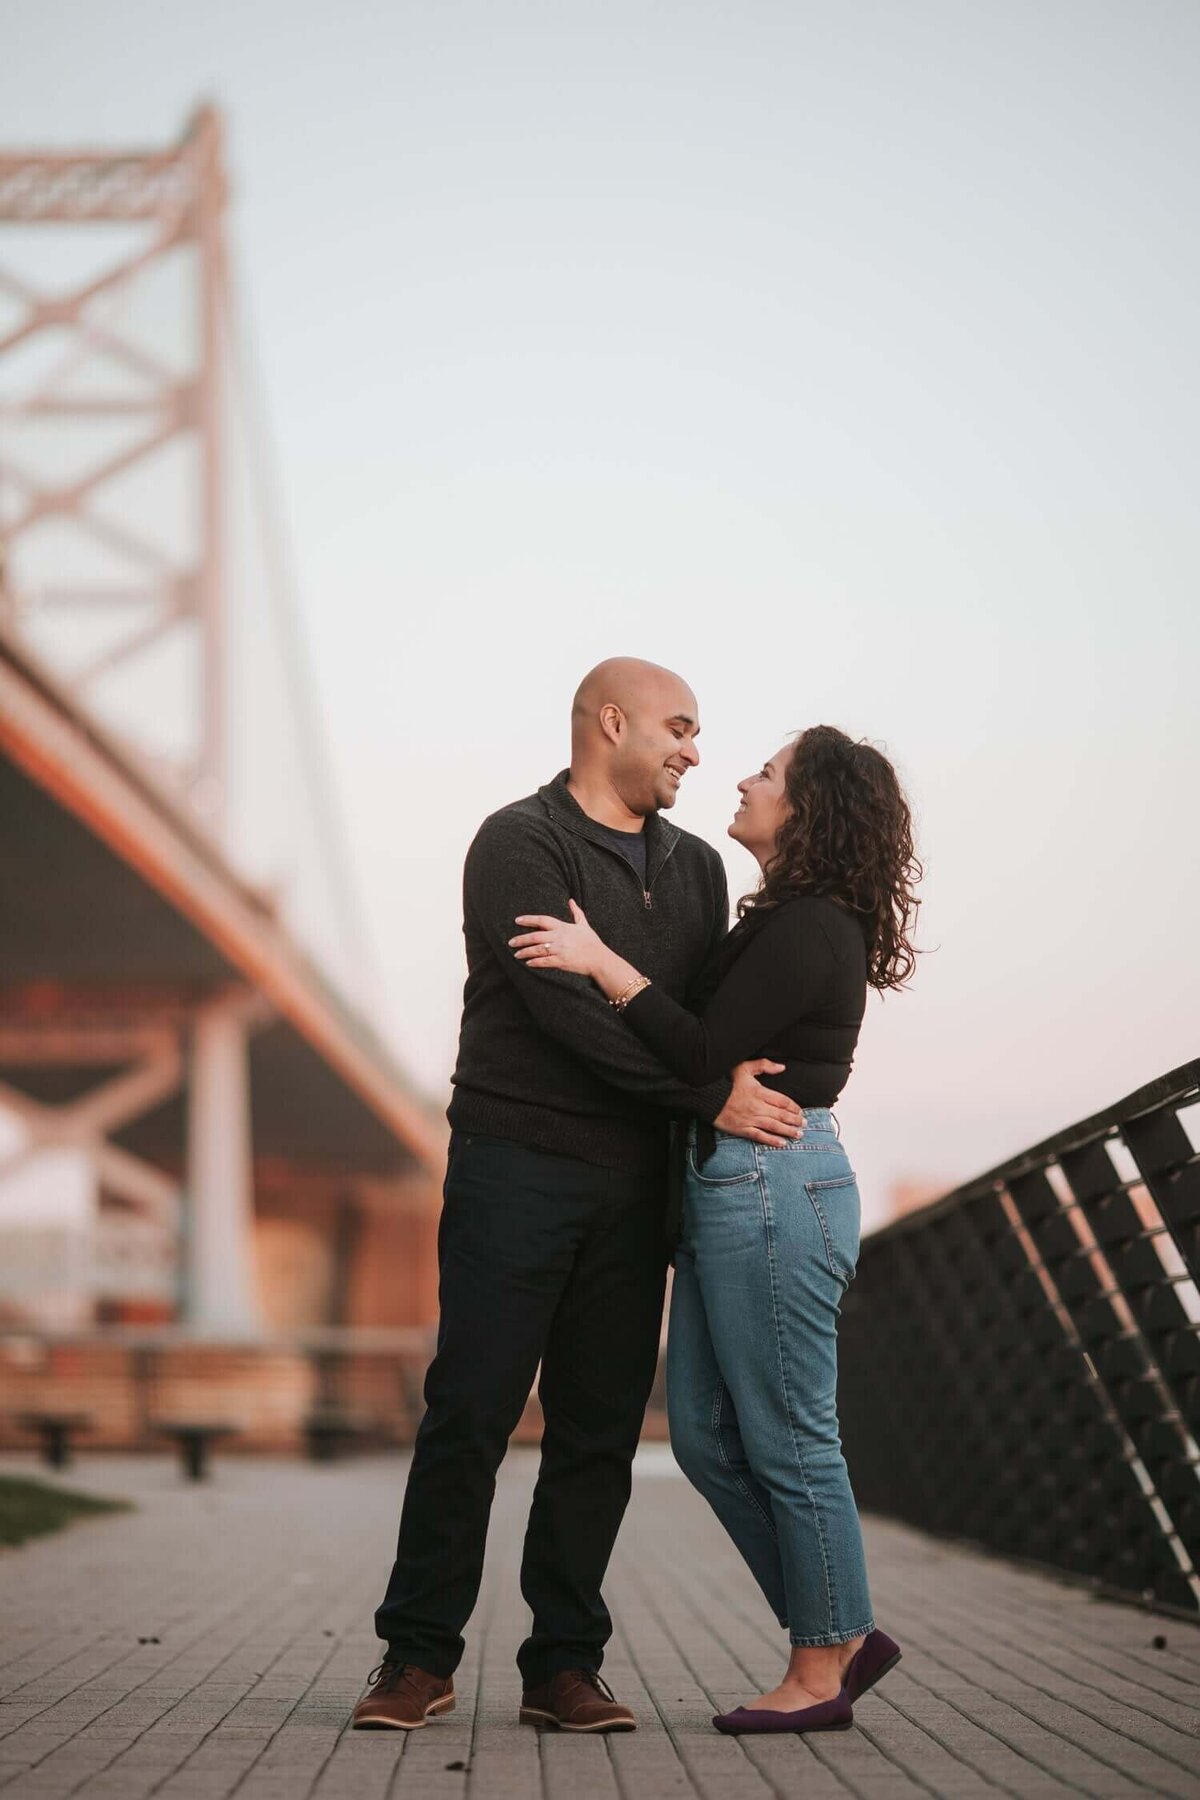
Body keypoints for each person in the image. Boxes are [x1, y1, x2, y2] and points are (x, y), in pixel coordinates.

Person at [352, 658, 805, 1735]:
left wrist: (723, 1083)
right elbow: (571, 1017)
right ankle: (414, 1659)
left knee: (600, 1430)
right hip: (517, 1164)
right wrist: (709, 1095)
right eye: (681, 728)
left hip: (638, 1182)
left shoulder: (696, 868)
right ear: (614, 723)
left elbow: (686, 1019)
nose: (697, 751)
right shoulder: (520, 841)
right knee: (470, 1411)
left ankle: (564, 1667)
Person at [510, 723, 921, 1736]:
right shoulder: (775, 920)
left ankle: (821, 1668)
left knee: (790, 1437)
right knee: (701, 1437)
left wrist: (600, 961)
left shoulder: (813, 924)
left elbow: (696, 1047)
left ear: (812, 809)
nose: (742, 777)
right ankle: (840, 1627)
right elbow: (702, 1061)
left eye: (770, 774)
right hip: (729, 1186)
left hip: (777, 1186)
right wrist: (703, 1076)